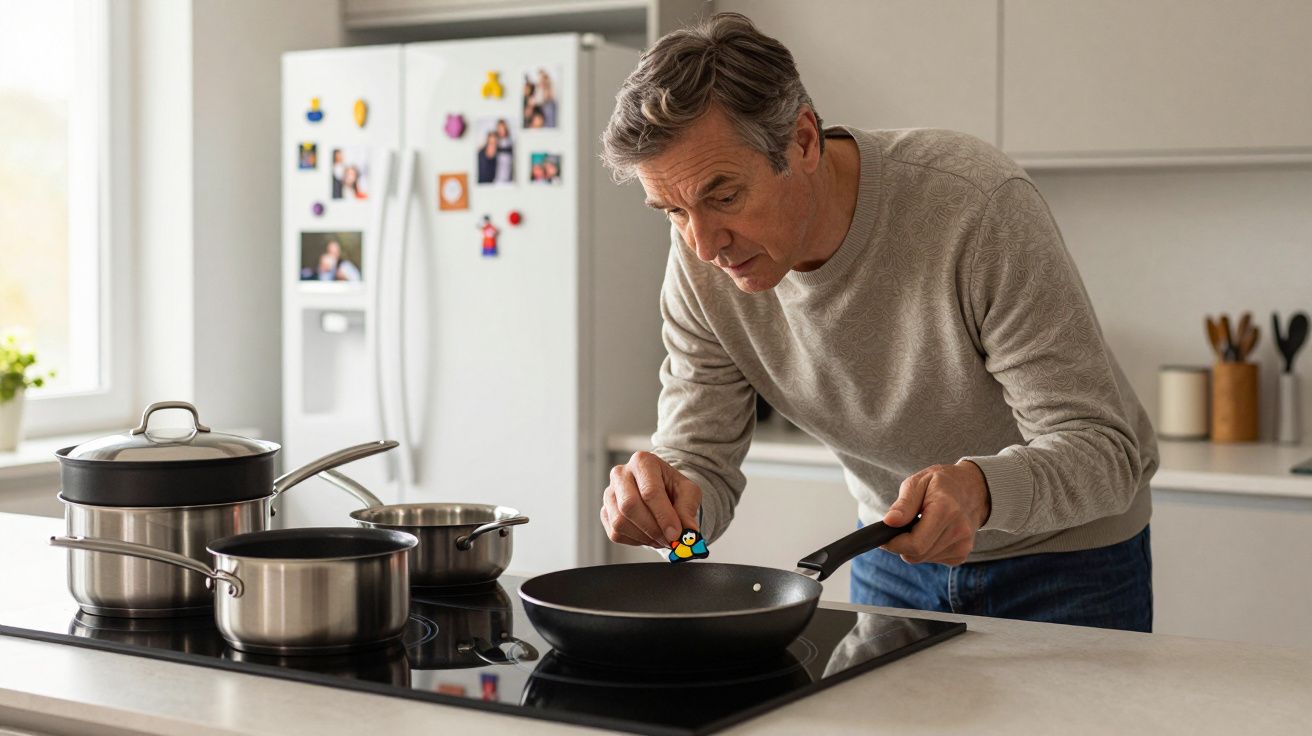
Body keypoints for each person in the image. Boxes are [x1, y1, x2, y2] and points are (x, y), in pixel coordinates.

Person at [597, 13, 1158, 632]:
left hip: (1068, 564)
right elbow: (700, 459)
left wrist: (977, 489)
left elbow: (1105, 453)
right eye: (672, 210)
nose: (703, 244)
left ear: (802, 141)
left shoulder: (974, 205)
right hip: (887, 557)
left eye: (724, 196)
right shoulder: (701, 262)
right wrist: (670, 503)